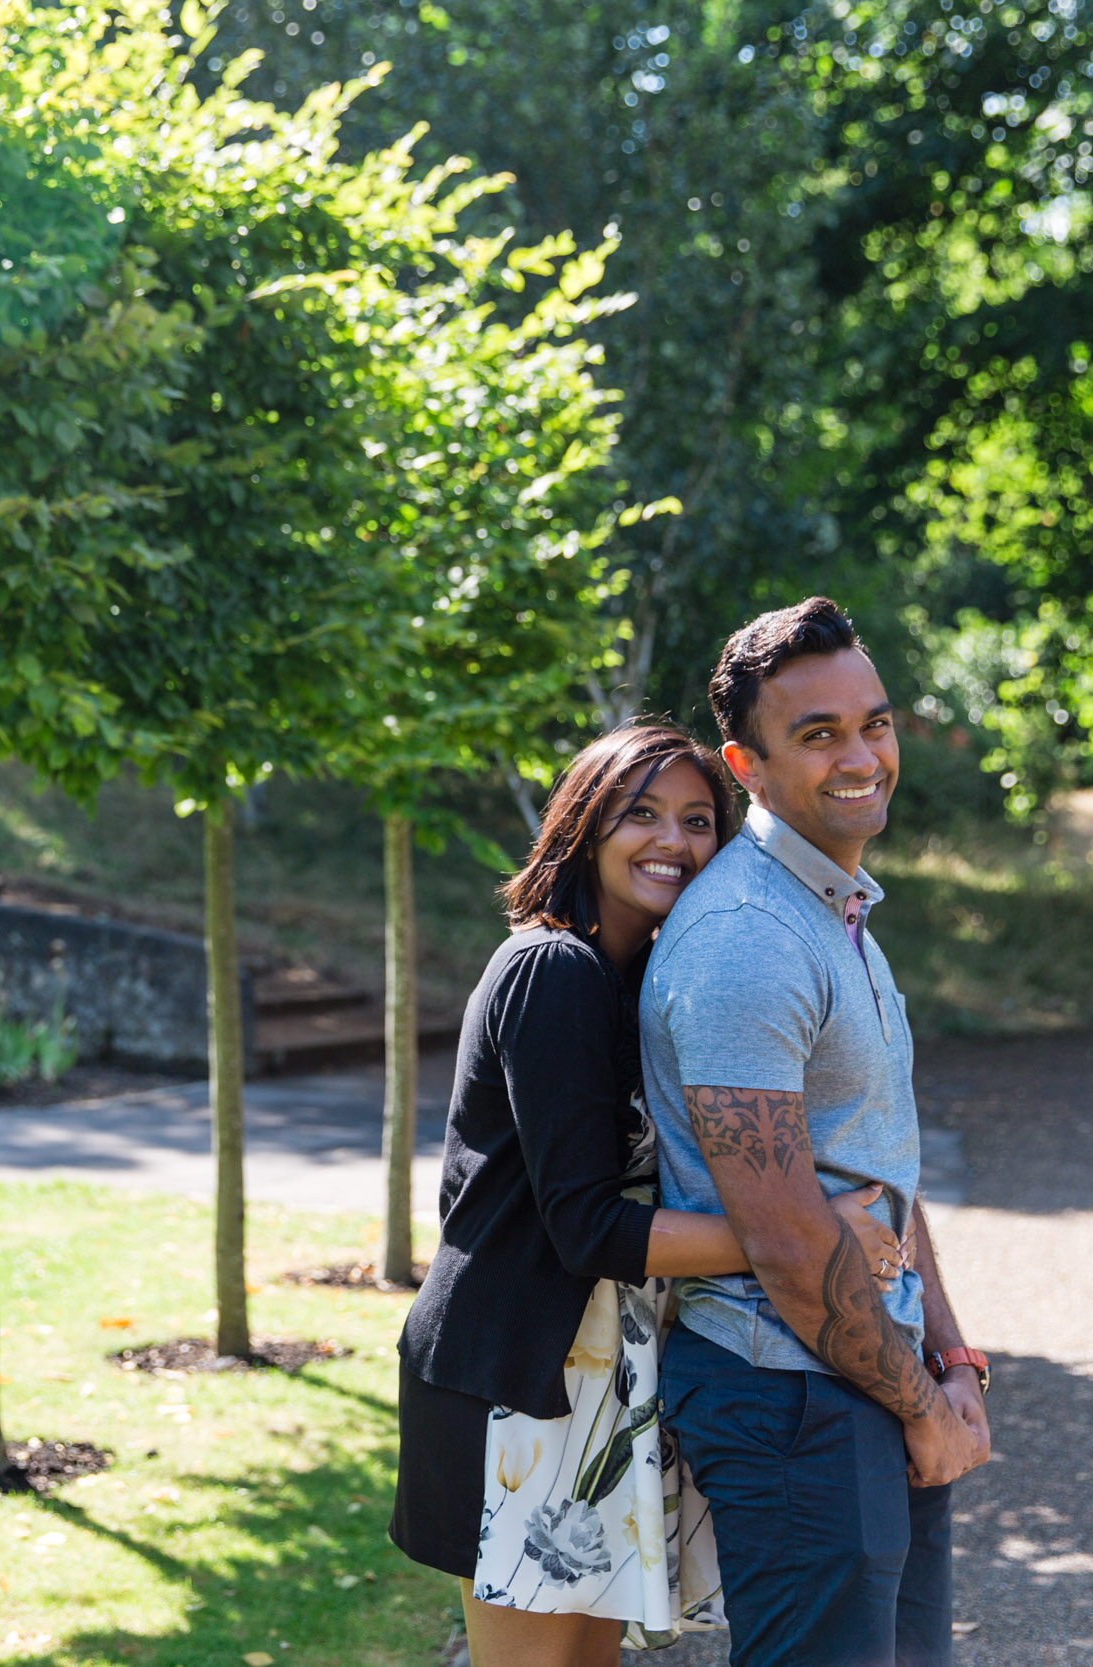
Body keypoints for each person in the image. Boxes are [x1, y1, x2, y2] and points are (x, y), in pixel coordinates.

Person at [391, 722, 906, 1667]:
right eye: (641, 814)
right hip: (515, 1380)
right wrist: (809, 1232)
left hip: (599, 1378)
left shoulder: (633, 981)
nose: (672, 839)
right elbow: (588, 1228)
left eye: (698, 819)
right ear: (584, 827)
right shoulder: (553, 970)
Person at [641, 598, 992, 1667]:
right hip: (789, 1395)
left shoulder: (834, 912)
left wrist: (950, 1354)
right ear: (745, 764)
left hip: (865, 1373)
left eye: (874, 723)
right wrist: (918, 1402)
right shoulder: (745, 939)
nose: (861, 755)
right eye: (819, 733)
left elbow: (877, 1164)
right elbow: (789, 1240)